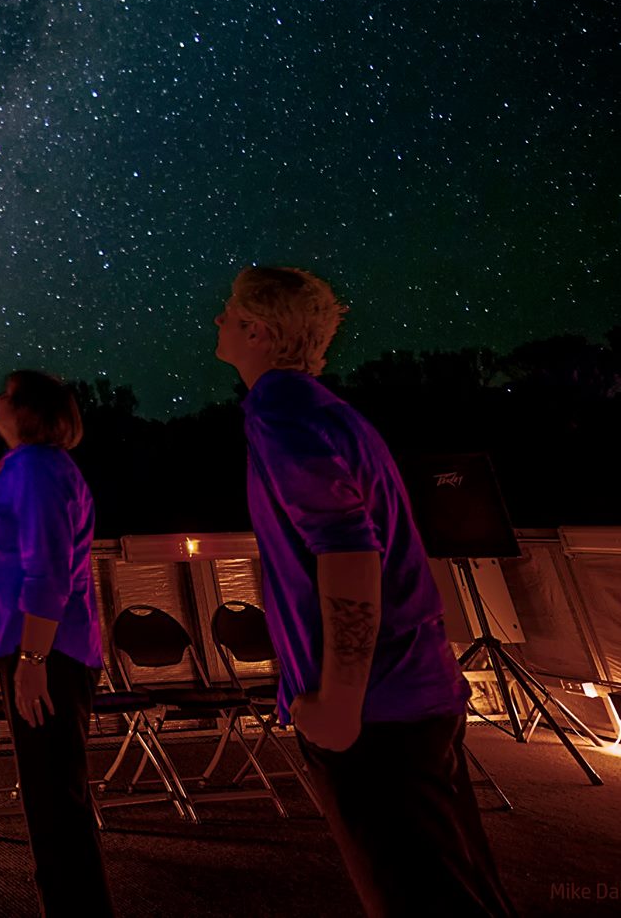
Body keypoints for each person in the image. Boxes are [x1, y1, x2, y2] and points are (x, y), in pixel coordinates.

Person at [215, 265, 515, 917]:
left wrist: (341, 700)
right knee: (459, 888)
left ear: (258, 330)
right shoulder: (327, 411)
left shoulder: (281, 409)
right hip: (411, 695)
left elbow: (349, 552)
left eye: (229, 312)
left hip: (378, 711)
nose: (216, 321)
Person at [0, 370, 114, 917]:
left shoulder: (36, 469)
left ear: (28, 410)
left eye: (6, 396)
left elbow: (48, 571)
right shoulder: (30, 467)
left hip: (47, 653)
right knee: (55, 805)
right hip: (43, 650)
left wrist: (32, 660)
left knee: (56, 808)